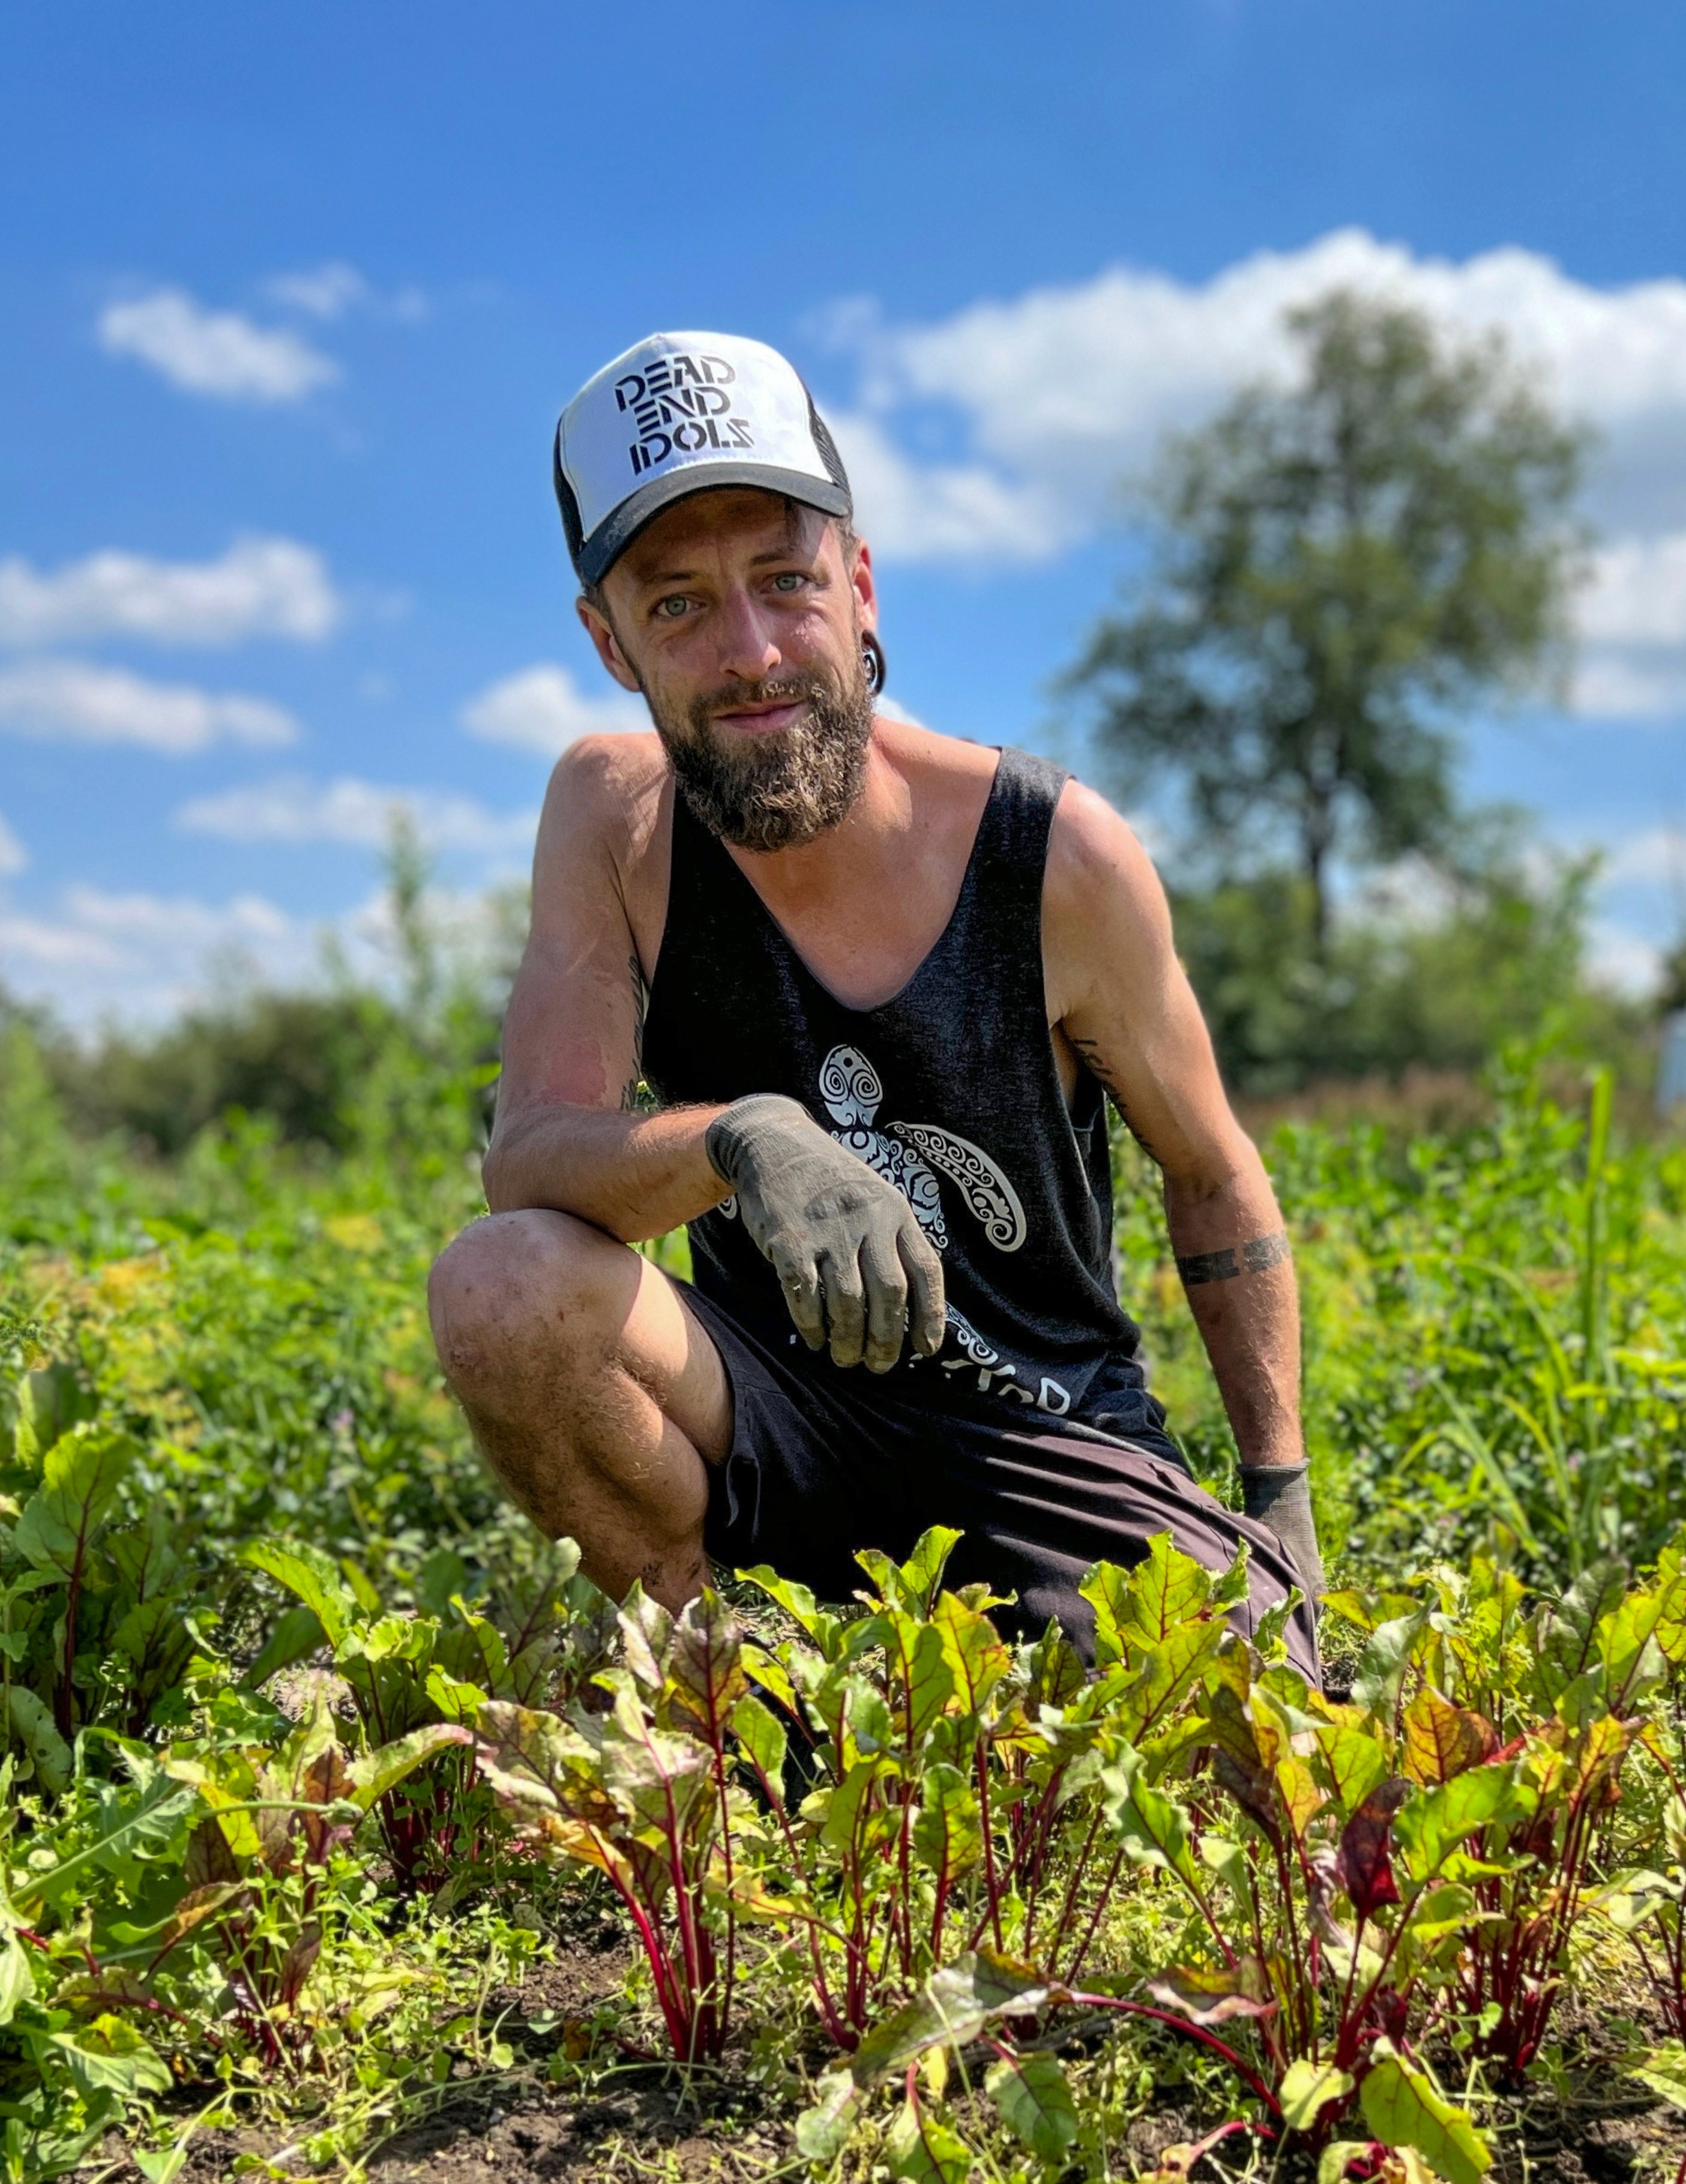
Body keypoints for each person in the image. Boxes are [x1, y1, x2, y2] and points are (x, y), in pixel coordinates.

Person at [428, 330, 1322, 1677]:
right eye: (675, 605)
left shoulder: (1054, 857)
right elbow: (534, 1158)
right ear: (608, 642)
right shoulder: (614, 820)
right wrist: (749, 1138)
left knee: (1229, 1718)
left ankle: (1152, 1599)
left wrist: (1281, 1502)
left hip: (1041, 1436)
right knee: (501, 1284)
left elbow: (1209, 1173)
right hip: (774, 1417)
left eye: (784, 581)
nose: (749, 651)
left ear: (857, 583)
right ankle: (712, 1697)